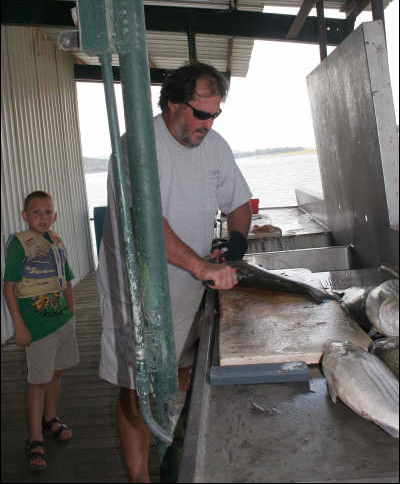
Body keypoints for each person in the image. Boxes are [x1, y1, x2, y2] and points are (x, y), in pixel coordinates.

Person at [97, 61, 252, 482]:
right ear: (171, 103)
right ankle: (139, 478)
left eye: (215, 113)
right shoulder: (136, 148)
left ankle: (171, 457)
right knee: (137, 391)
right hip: (138, 292)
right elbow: (147, 224)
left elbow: (238, 203)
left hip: (192, 286)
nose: (209, 122)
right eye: (201, 113)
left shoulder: (215, 146)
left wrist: (234, 244)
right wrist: (203, 265)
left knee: (181, 377)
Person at [3, 190, 79, 471]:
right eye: (36, 212)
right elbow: (9, 287)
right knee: (38, 381)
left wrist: (71, 313)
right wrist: (19, 326)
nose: (43, 217)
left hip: (62, 322)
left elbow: (68, 280)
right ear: (25, 216)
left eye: (48, 212)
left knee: (56, 374)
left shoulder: (56, 241)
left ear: (55, 216)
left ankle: (51, 420)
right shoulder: (19, 245)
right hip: (36, 328)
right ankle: (34, 438)